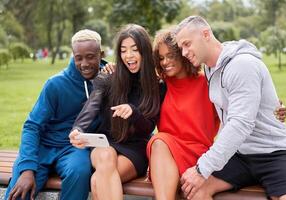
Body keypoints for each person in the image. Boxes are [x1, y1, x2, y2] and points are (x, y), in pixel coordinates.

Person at [175, 16, 286, 200]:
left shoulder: (242, 65)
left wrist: (201, 168)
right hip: (240, 154)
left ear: (206, 34)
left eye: (187, 44)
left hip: (274, 153)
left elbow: (240, 124)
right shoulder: (211, 69)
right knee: (195, 191)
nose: (184, 52)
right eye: (181, 48)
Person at [5, 29, 107, 200]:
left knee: (79, 172)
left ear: (100, 54)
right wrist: (27, 169)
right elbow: (32, 126)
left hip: (74, 148)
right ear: (73, 56)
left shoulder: (108, 80)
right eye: (78, 58)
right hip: (43, 147)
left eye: (90, 56)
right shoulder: (55, 84)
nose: (84, 63)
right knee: (20, 191)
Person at [69, 24, 161, 200]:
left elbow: (148, 127)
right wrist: (78, 129)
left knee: (97, 180)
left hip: (135, 149)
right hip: (106, 142)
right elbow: (92, 105)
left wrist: (133, 112)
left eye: (135, 49)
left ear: (145, 52)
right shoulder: (108, 76)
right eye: (123, 50)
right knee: (106, 153)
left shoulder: (156, 85)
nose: (129, 55)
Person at [146, 28, 220, 200]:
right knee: (158, 140)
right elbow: (133, 79)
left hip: (201, 156)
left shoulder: (207, 82)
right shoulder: (160, 86)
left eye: (171, 55)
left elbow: (236, 112)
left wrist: (276, 111)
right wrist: (109, 67)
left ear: (183, 54)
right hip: (166, 155)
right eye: (161, 58)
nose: (165, 62)